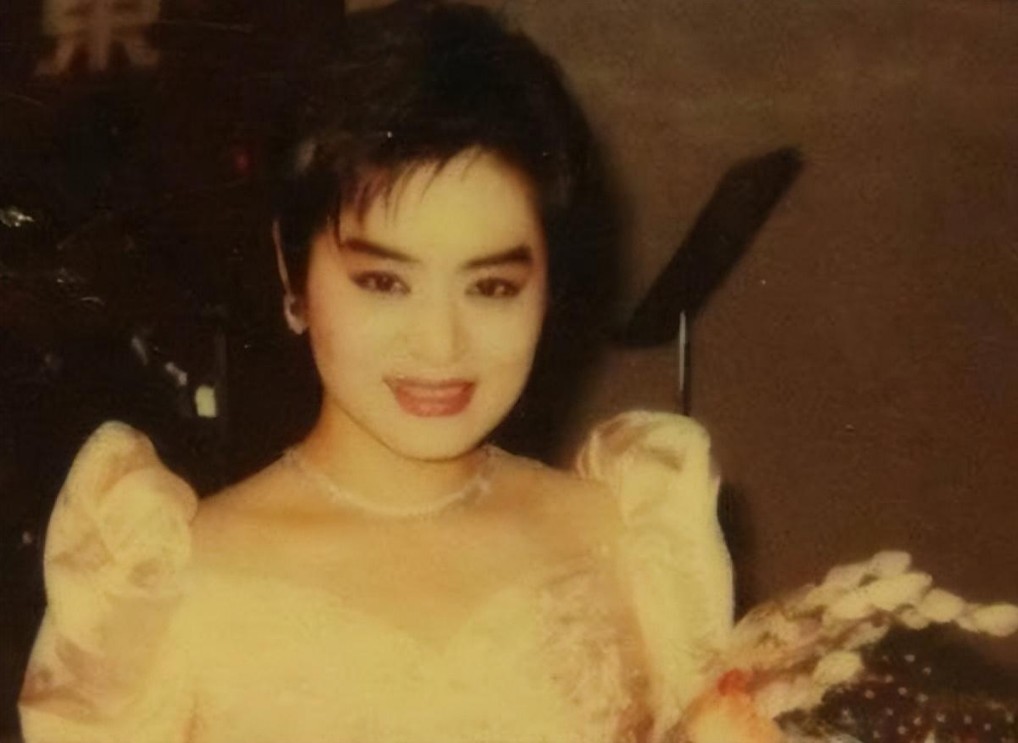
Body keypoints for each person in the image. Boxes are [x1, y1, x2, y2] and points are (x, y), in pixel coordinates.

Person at [18, 2, 734, 742]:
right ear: (292, 272)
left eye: (492, 286)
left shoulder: (630, 545)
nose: (440, 343)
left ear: (548, 288)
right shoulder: (167, 585)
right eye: (384, 282)